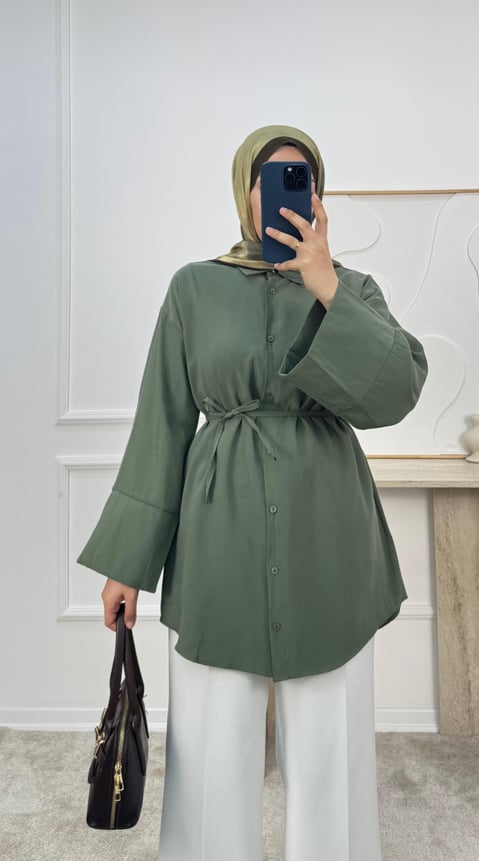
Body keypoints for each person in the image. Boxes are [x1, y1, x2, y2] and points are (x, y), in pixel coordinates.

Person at [77, 124, 428, 861]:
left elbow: (395, 393)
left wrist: (326, 285)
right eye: (271, 178)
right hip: (218, 534)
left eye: (303, 179)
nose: (286, 193)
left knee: (329, 745)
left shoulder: (353, 289)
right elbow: (162, 424)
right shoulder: (194, 287)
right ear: (245, 191)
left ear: (319, 196)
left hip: (328, 534)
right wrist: (126, 565)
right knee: (213, 743)